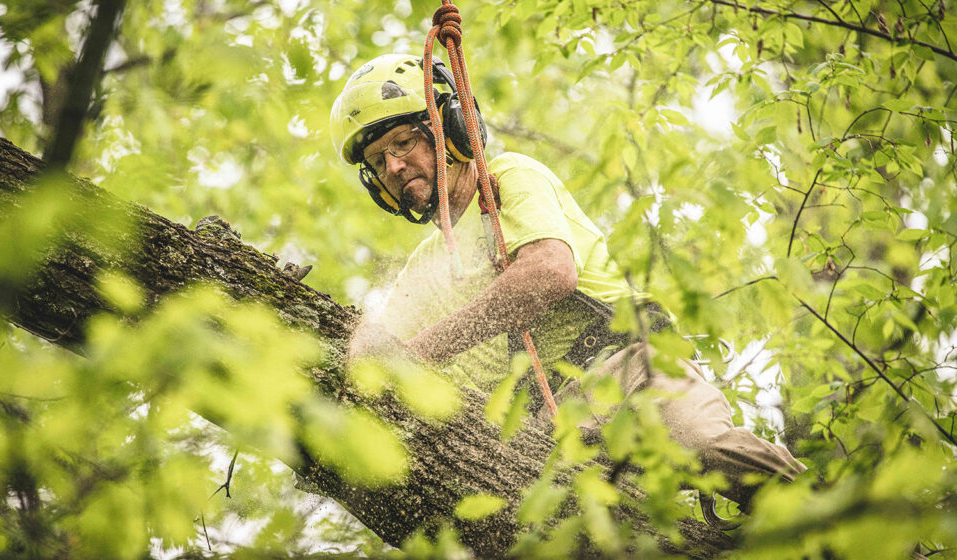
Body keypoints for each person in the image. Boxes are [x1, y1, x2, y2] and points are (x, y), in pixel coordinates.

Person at [329, 53, 805, 512]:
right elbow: (376, 360)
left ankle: (832, 513)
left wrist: (421, 353)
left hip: (627, 368)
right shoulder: (422, 268)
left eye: (403, 143)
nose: (392, 167)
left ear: (446, 129)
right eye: (377, 160)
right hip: (545, 436)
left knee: (705, 445)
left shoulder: (508, 179)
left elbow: (549, 273)